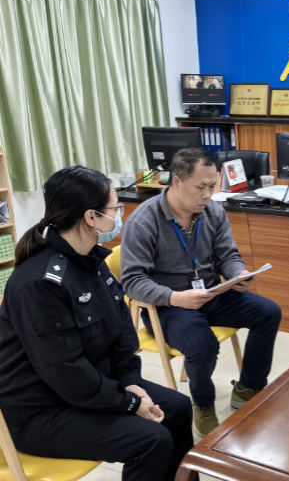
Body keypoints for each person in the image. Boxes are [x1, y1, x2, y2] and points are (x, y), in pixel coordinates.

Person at [0, 166, 193, 481]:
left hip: (90, 388)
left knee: (179, 408)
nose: (119, 215)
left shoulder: (91, 261)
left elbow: (122, 336)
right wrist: (129, 402)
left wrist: (130, 381)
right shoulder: (40, 284)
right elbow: (65, 370)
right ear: (91, 217)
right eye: (115, 209)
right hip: (40, 411)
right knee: (151, 440)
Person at [120, 148, 282, 437]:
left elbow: (227, 255)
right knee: (203, 345)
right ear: (177, 182)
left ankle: (248, 388)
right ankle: (203, 404)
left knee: (269, 312)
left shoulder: (213, 211)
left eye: (212, 186)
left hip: (211, 293)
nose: (208, 195)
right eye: (201, 187)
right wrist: (174, 297)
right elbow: (132, 281)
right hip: (168, 306)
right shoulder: (143, 221)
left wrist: (237, 273)